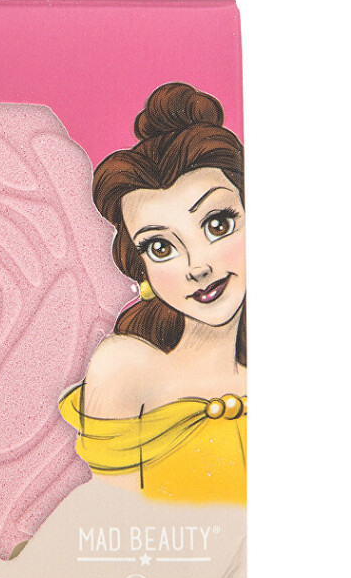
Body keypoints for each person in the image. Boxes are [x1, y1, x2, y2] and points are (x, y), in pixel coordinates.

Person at [59, 82, 246, 503]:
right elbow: (110, 526)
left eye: (218, 224)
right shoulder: (125, 368)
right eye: (161, 248)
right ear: (141, 269)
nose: (198, 267)